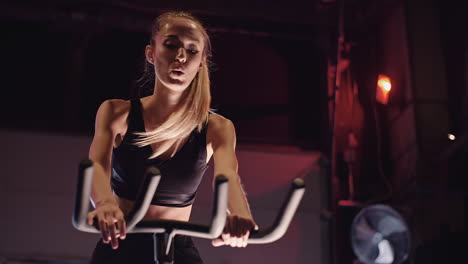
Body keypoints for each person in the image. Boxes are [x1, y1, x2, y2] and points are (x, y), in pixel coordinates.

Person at [85, 11, 257, 264]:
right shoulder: (116, 112)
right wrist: (105, 203)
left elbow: (228, 176)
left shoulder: (218, 128)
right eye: (171, 44)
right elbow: (97, 165)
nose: (180, 57)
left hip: (177, 249)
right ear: (151, 53)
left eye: (191, 50)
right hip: (121, 245)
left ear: (201, 62)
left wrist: (240, 214)